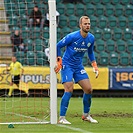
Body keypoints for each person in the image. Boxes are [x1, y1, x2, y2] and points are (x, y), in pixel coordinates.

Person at [54, 16, 99, 124]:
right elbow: (58, 46)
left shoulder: (91, 38)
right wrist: (59, 62)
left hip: (78, 66)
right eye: (85, 24)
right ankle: (62, 118)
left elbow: (90, 52)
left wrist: (95, 66)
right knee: (69, 89)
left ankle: (86, 115)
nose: (87, 25)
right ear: (80, 25)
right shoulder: (72, 36)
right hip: (67, 65)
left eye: (88, 23)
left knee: (88, 89)